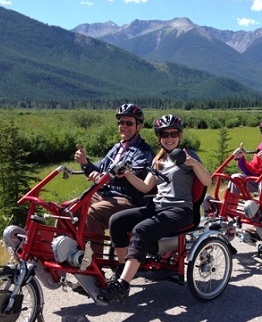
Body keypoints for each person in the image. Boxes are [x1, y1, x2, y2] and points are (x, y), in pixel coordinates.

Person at [100, 114, 212, 303]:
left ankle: (122, 286)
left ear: (179, 135)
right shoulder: (158, 160)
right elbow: (145, 187)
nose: (169, 138)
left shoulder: (188, 155)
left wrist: (193, 164)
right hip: (158, 207)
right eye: (165, 135)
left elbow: (207, 181)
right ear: (159, 137)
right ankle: (123, 269)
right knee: (117, 221)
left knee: (141, 230)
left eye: (173, 134)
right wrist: (127, 174)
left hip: (180, 211)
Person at [73, 103, 155, 238]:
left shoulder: (143, 152)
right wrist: (85, 163)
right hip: (103, 195)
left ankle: (93, 257)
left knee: (92, 214)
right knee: (67, 210)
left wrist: (105, 178)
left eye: (129, 123)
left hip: (126, 200)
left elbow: (133, 177)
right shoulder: (117, 148)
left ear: (138, 126)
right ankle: (59, 252)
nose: (124, 126)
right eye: (121, 122)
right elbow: (98, 169)